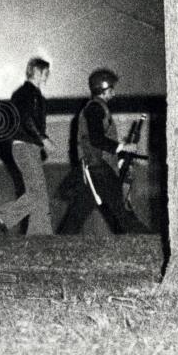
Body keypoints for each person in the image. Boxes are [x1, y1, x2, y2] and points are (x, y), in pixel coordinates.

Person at [56, 68, 140, 235]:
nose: (114, 93)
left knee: (78, 212)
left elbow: (97, 138)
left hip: (94, 168)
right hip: (98, 168)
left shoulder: (96, 108)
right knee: (122, 209)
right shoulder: (95, 108)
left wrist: (118, 144)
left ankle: (61, 241)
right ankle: (144, 239)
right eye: (111, 89)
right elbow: (96, 139)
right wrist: (123, 147)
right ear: (104, 89)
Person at [0, 57, 54, 236]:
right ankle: (2, 218)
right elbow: (26, 118)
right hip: (25, 147)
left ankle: (40, 233)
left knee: (39, 192)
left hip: (28, 147)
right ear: (36, 72)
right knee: (36, 192)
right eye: (45, 73)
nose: (47, 76)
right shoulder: (27, 93)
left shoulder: (31, 94)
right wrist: (43, 139)